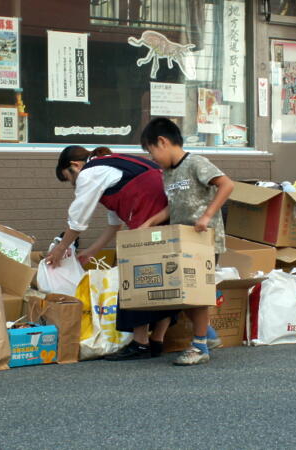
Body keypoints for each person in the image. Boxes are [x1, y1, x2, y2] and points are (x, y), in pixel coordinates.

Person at [45, 145, 178, 360]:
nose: (73, 184)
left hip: (149, 215)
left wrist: (61, 248)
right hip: (169, 213)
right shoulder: (113, 165)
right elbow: (114, 225)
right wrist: (90, 252)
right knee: (166, 277)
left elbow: (78, 220)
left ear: (75, 165)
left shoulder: (89, 173)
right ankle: (157, 341)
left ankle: (140, 343)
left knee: (138, 276)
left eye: (69, 178)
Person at [139, 118, 234, 366]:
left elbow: (226, 184)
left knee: (197, 293)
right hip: (181, 241)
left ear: (163, 142)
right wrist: (150, 222)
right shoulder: (167, 173)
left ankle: (200, 345)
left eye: (151, 152)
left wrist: (207, 216)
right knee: (185, 294)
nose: (152, 158)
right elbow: (174, 206)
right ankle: (208, 336)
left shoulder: (195, 163)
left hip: (203, 240)